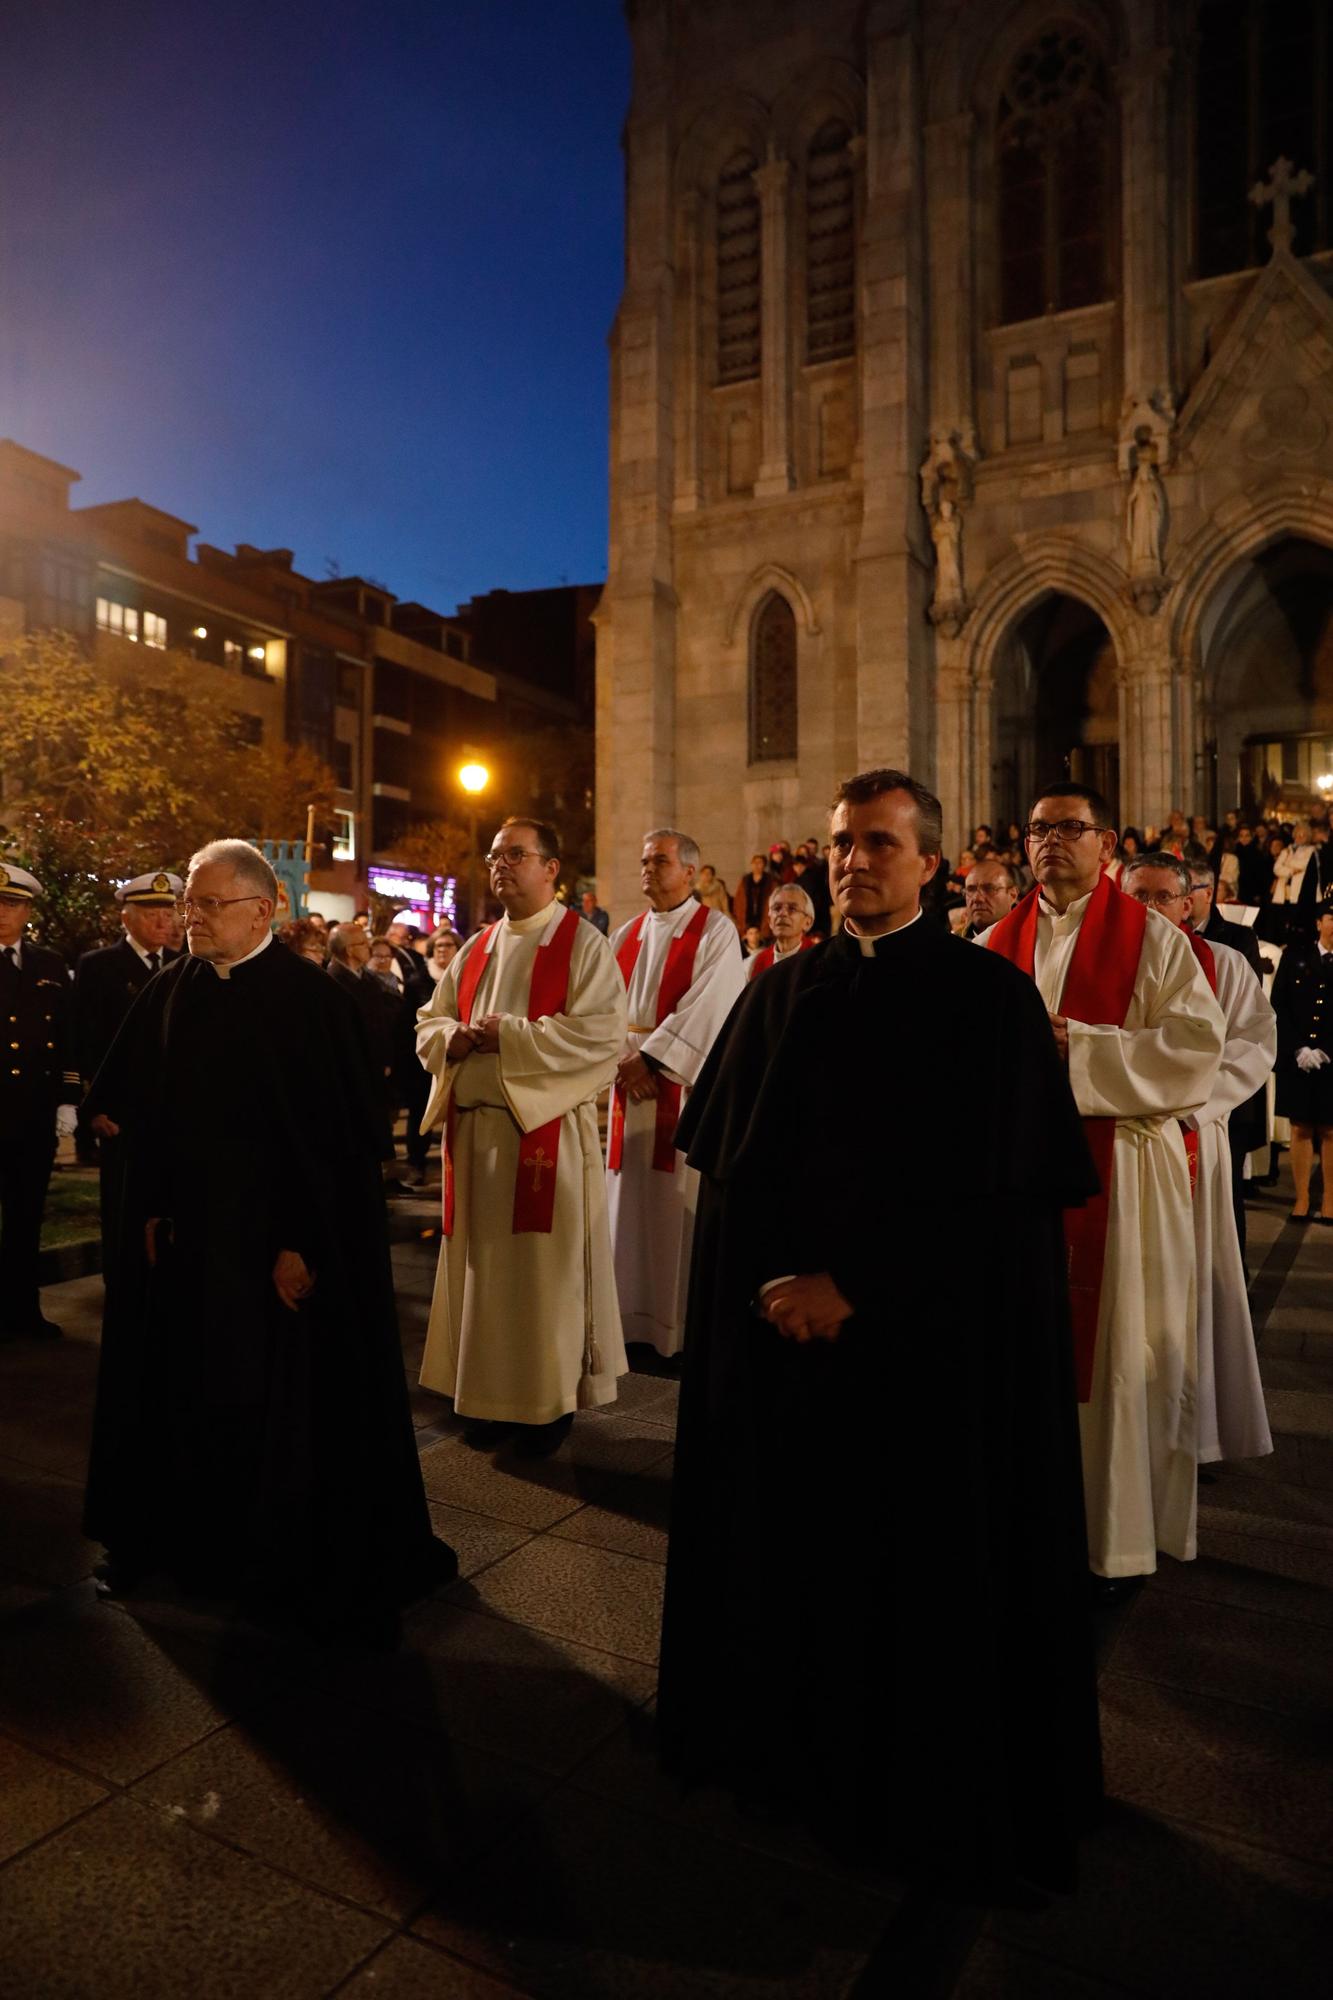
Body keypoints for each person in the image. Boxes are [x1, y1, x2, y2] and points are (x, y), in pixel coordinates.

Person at [659, 769, 1101, 1895]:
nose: (853, 861)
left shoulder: (986, 1003)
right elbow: (731, 1186)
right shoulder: (775, 994)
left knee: (918, 1585)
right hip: (783, 1362)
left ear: (930, 861)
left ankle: (910, 1785)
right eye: (841, 844)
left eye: (877, 844)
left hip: (925, 1369)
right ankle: (783, 1749)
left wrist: (854, 1286)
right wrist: (767, 1285)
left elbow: (998, 1216)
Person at [82, 839, 454, 1634]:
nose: (193, 918)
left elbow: (338, 1145)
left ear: (263, 908)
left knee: (269, 1407)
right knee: (179, 1393)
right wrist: (147, 1206)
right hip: (186, 1246)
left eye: (209, 905)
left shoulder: (313, 1003)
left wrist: (303, 1244)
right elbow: (137, 1107)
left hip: (270, 1252)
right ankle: (181, 1541)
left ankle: (271, 1555)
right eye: (190, 902)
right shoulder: (172, 989)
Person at [981, 787, 1225, 1588]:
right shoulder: (990, 942)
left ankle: (1113, 1538)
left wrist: (1076, 1049)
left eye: (1070, 829)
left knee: (1121, 1354)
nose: (1053, 841)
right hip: (1014, 1181)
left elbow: (1195, 1051)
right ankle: (1024, 1520)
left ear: (1105, 842)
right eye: (1040, 829)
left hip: (1121, 1169)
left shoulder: (1154, 938)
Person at [416, 817, 627, 1455]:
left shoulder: (583, 945)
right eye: (494, 856)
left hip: (543, 1140)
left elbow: (601, 1036)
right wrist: (452, 1037)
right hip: (477, 1138)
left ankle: (543, 1409)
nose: (501, 866)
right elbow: (430, 1020)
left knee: (542, 1280)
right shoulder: (477, 947)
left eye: (516, 855)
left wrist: (508, 1034)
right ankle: (487, 1401)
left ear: (551, 868)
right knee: (483, 1278)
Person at [1123, 856, 1274, 1466]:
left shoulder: (1226, 964)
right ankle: (1128, 1422)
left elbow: (1253, 1044)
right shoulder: (1102, 958)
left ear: (1188, 905)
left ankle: (1200, 1433)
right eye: (1137, 896)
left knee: (1195, 1276)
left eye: (1163, 898)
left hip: (1189, 1133)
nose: (1149, 909)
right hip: (1122, 1139)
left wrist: (1186, 1104)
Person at [605, 828, 745, 1356]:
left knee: (670, 1205)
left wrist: (652, 1060)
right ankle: (625, 1321)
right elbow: (601, 1007)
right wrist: (623, 1061)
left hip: (677, 1091)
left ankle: (672, 1328)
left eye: (659, 861)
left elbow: (713, 1007)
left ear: (690, 871)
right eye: (643, 861)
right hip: (627, 1084)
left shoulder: (716, 932)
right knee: (625, 1204)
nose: (648, 869)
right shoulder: (625, 933)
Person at [75, 870, 183, 1276]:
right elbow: (88, 1040)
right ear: (127, 919)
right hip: (121, 1113)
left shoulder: (183, 965)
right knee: (122, 1203)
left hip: (170, 1112)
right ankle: (122, 1281)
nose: (163, 922)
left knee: (167, 1200)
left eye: (168, 912)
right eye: (152, 913)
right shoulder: (100, 966)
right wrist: (94, 1108)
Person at [0, 863, 78, 1342]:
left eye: (12, 904)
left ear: (27, 910)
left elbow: (67, 1037)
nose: (3, 913)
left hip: (31, 1114)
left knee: (27, 1218)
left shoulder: (49, 965)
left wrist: (68, 1099)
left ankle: (22, 1312)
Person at [1271, 898, 1333, 1224]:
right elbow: (1278, 1006)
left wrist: (1326, 1050)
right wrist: (1298, 1048)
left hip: (1331, 1060)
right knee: (1300, 1128)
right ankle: (1302, 1198)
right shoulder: (1294, 957)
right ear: (1319, 923)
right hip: (1298, 1059)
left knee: (1330, 1129)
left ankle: (1330, 1201)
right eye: (1330, 918)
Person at [746, 883, 816, 976]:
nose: (782, 913)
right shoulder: (757, 961)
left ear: (807, 922)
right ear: (770, 921)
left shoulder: (818, 958)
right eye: (777, 908)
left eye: (792, 908)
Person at [960, 857, 1018, 939]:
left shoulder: (1030, 940)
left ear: (1012, 895)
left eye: (989, 889)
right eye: (971, 890)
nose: (977, 899)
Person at [733, 853, 775, 935]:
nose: (757, 865)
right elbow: (738, 899)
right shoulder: (745, 880)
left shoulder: (770, 881)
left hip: (764, 916)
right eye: (754, 863)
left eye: (760, 863)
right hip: (747, 917)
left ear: (764, 865)